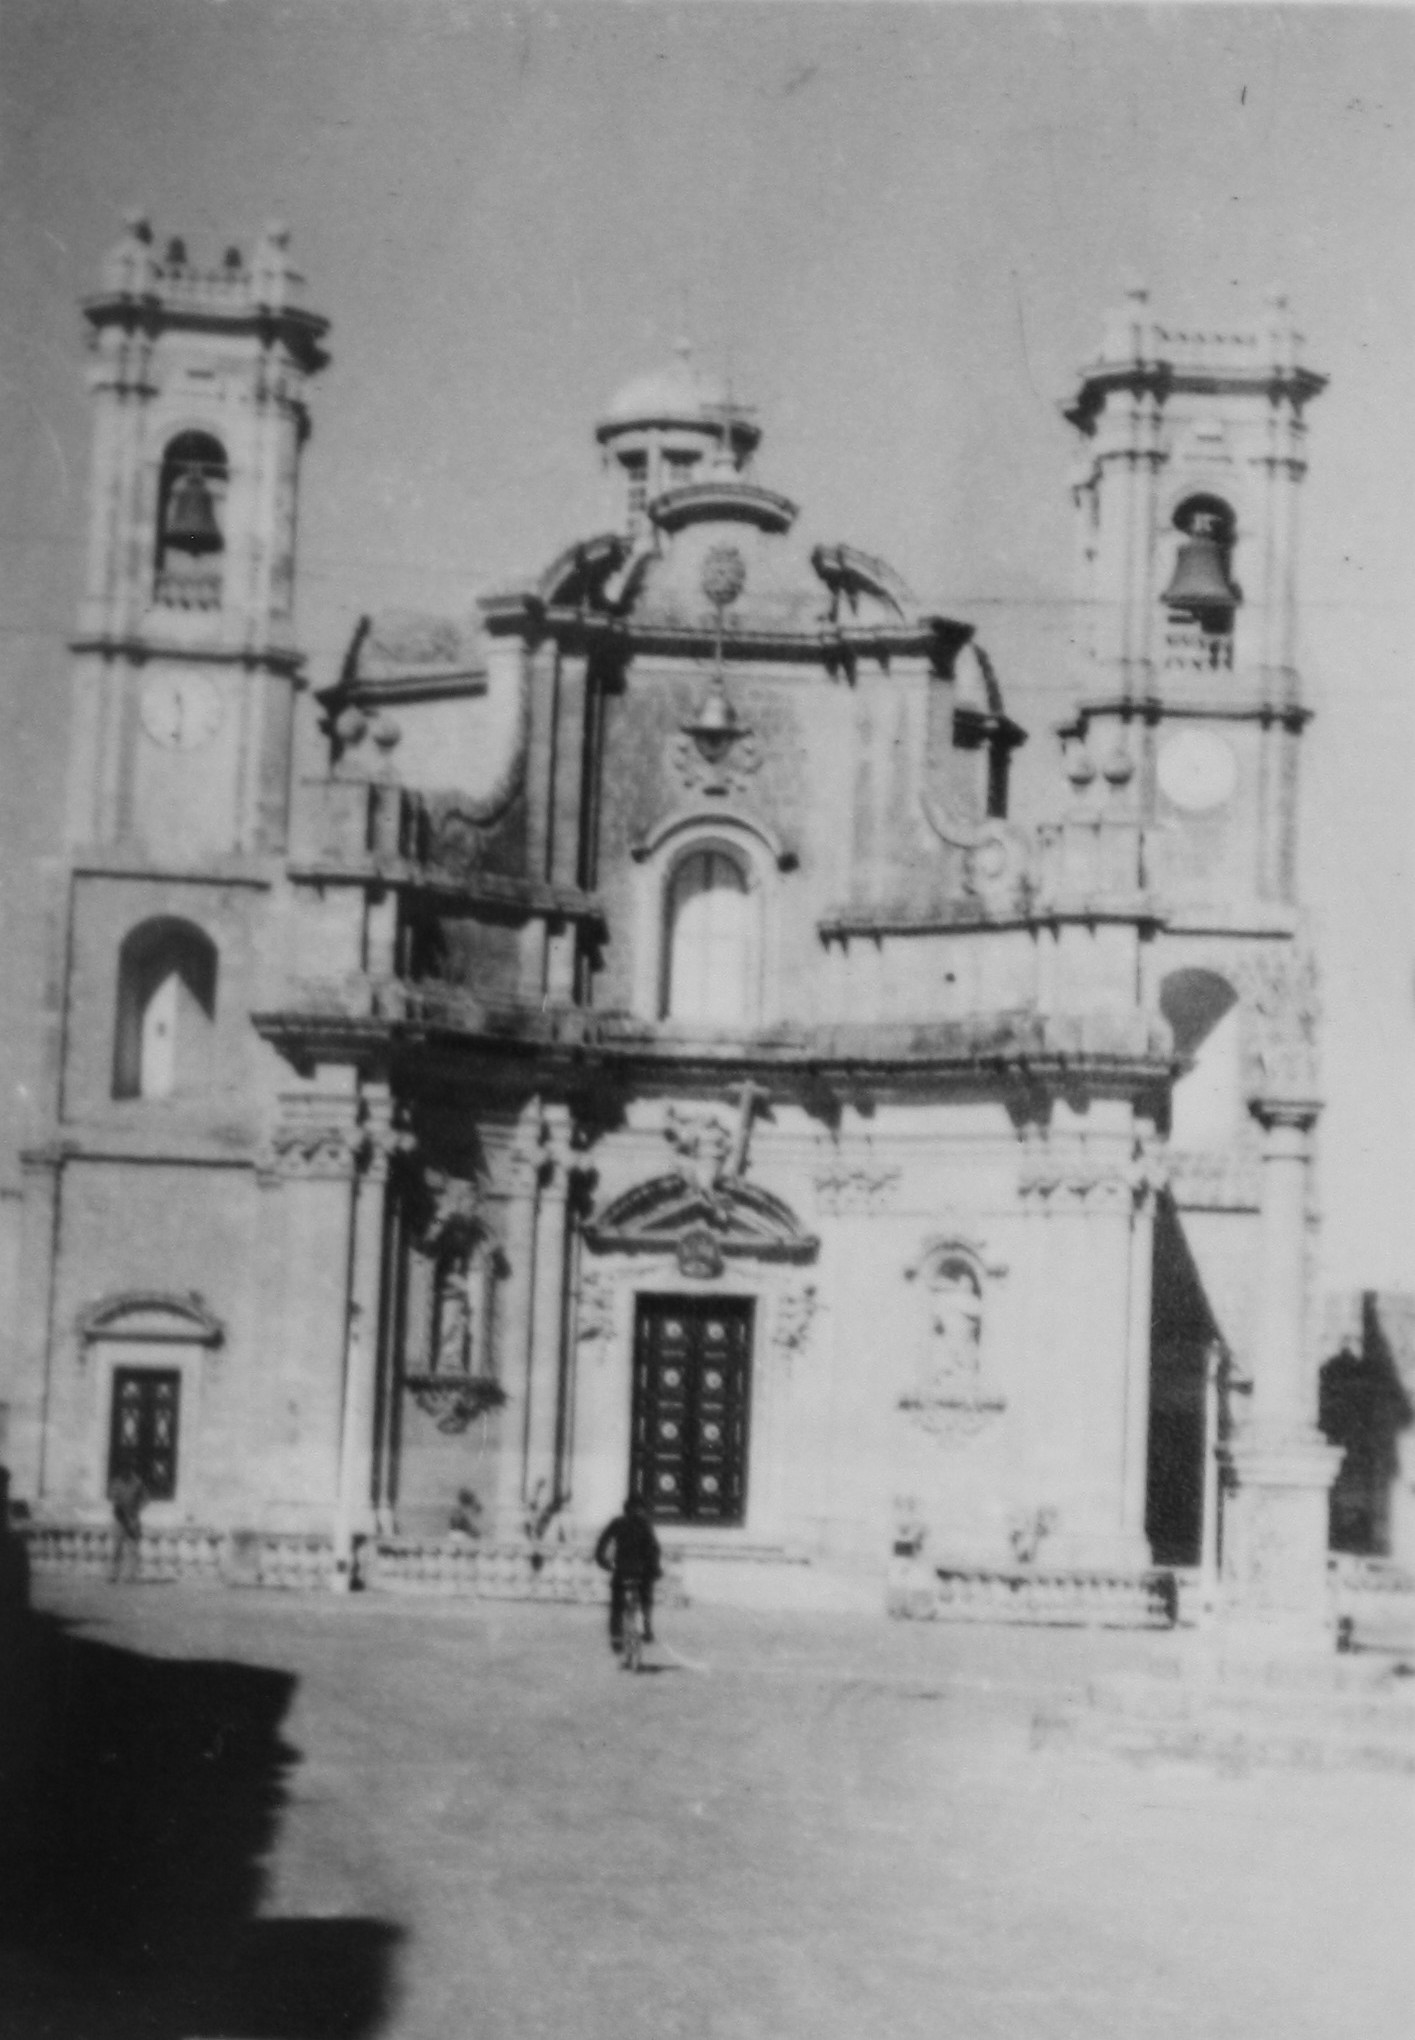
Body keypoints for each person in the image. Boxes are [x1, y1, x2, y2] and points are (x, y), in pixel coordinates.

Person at [594, 1495, 661, 1656]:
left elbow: (602, 1542)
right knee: (646, 1598)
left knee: (617, 1605)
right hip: (641, 1572)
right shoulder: (645, 1524)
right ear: (642, 1510)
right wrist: (655, 1569)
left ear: (626, 1509)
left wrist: (603, 1561)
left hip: (622, 1570)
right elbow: (654, 1549)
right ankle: (647, 1627)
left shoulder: (618, 1523)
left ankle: (616, 1637)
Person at [108, 1467, 146, 1584]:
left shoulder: (138, 1483)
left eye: (128, 1469)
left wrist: (136, 1511)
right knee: (117, 1548)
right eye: (123, 1468)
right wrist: (124, 1517)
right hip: (120, 1519)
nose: (126, 1472)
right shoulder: (117, 1483)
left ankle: (131, 1575)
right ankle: (114, 1574)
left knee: (133, 1548)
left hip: (133, 1519)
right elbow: (115, 1501)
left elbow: (145, 1499)